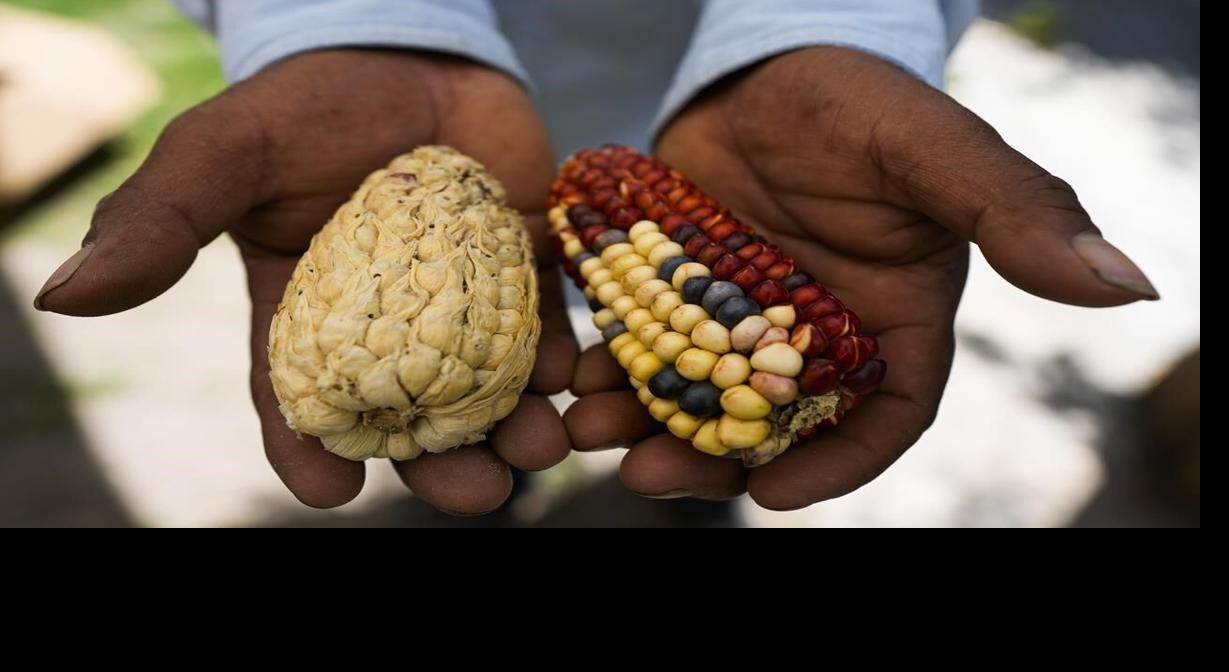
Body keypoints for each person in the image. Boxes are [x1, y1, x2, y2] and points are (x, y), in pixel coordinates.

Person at [33, 0, 1160, 516]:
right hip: (416, 119)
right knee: (501, 434)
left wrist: (835, 28)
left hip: (767, 151)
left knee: (670, 448)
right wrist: (344, 22)